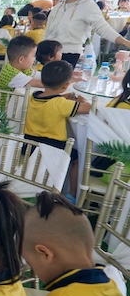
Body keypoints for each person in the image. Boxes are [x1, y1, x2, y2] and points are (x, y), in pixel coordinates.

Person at [25, 60, 91, 197]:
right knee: (78, 159)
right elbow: (90, 108)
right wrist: (81, 98)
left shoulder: (33, 97)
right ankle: (71, 194)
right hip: (53, 148)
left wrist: (63, 97)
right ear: (66, 85)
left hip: (29, 146)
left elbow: (50, 99)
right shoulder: (61, 104)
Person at [44, 0, 130, 67]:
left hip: (69, 54)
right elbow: (48, 30)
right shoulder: (59, 5)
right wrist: (42, 48)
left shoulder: (88, 6)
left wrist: (125, 42)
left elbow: (103, 29)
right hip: (49, 52)